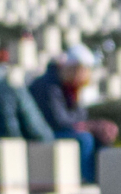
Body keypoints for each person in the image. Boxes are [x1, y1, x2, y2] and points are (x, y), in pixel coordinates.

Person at [28, 45, 115, 183]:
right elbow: (59, 121)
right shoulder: (48, 85)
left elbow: (81, 115)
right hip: (46, 133)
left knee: (102, 137)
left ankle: (105, 181)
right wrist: (89, 126)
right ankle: (86, 180)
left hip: (59, 130)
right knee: (84, 139)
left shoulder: (68, 87)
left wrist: (96, 126)